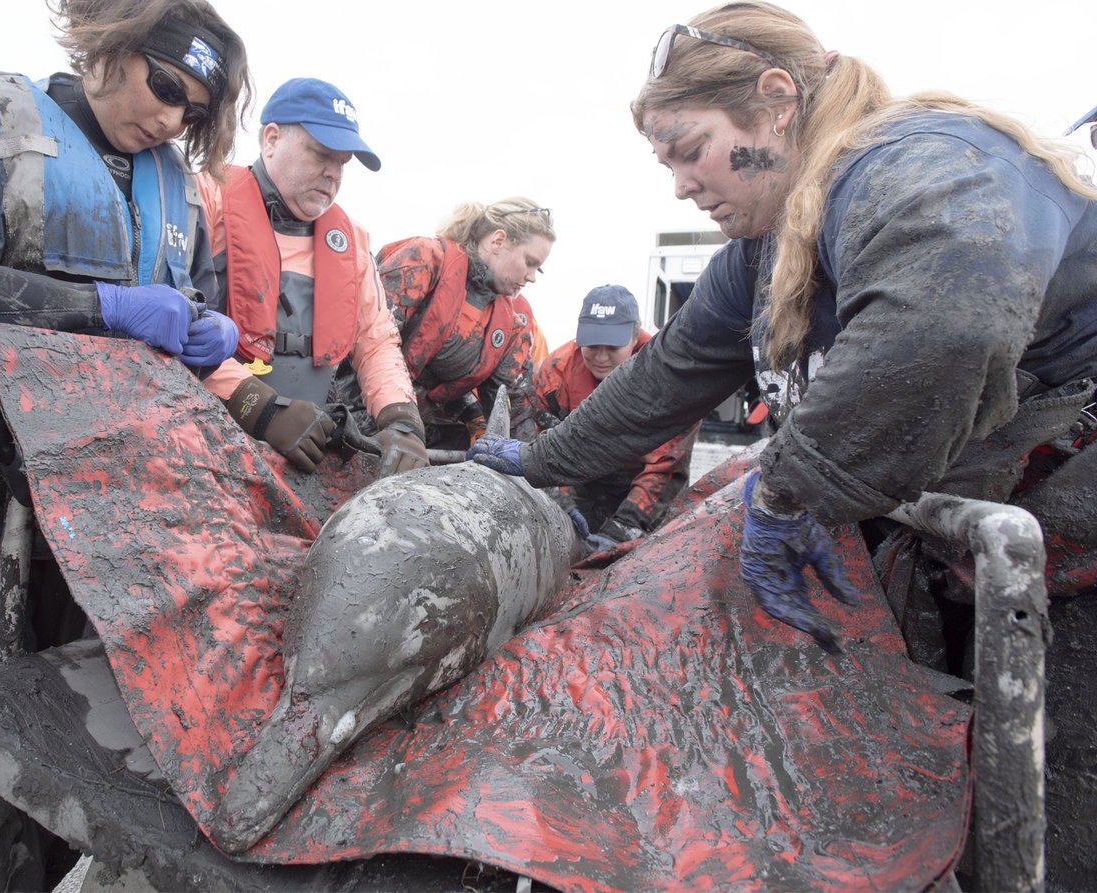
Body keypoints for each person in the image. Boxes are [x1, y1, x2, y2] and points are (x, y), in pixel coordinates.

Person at [469, 2, 1097, 880]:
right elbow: (664, 381)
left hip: (1069, 521)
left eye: (689, 149)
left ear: (774, 104)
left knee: (1054, 795)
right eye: (666, 162)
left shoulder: (920, 162)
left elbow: (948, 320)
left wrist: (792, 491)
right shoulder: (758, 255)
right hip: (958, 526)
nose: (681, 183)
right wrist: (540, 460)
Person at [0, 0, 250, 887]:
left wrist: (218, 349)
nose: (171, 116)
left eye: (195, 110)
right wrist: (100, 310)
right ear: (110, 48)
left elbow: (193, 312)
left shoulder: (178, 191)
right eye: (164, 85)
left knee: (70, 740)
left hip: (101, 530)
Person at [196, 78, 428, 479]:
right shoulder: (206, 198)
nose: (332, 173)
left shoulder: (351, 238)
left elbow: (376, 341)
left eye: (342, 163)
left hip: (303, 449)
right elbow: (175, 320)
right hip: (204, 435)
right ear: (271, 139)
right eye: (321, 153)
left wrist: (402, 420)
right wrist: (257, 406)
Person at [352, 198, 555, 450]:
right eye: (530, 262)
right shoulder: (425, 260)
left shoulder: (515, 322)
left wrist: (530, 465)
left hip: (420, 429)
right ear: (498, 241)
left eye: (539, 269)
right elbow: (363, 339)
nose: (532, 277)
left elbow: (514, 407)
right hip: (356, 407)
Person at [534, 284, 697, 551]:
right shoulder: (554, 376)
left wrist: (624, 526)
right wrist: (562, 506)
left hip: (649, 483)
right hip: (585, 479)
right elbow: (543, 452)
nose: (600, 357)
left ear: (634, 338)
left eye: (612, 347)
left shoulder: (671, 377)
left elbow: (666, 466)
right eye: (592, 344)